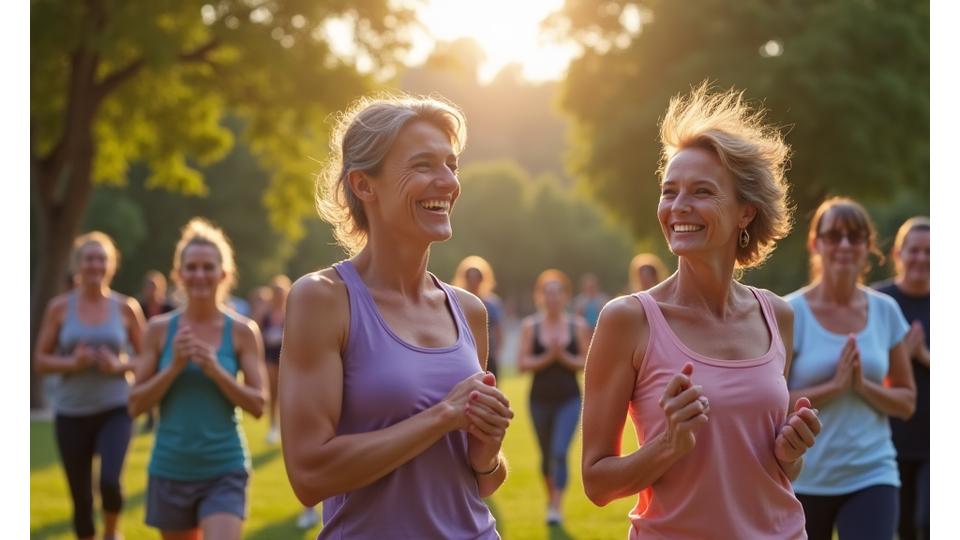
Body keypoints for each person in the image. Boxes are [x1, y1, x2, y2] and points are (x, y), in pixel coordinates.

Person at [580, 83, 821, 539]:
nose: (678, 207)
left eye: (702, 192)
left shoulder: (777, 316)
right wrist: (668, 445)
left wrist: (791, 453)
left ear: (745, 213)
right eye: (669, 191)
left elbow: (769, 472)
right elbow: (596, 482)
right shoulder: (628, 321)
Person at [278, 94, 513, 539]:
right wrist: (443, 415)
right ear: (365, 185)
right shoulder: (323, 299)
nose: (448, 182)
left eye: (452, 165)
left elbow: (479, 482)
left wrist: (487, 453)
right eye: (424, 165)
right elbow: (309, 475)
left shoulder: (468, 311)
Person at [785, 198, 916, 540]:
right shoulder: (789, 312)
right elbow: (771, 400)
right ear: (815, 243)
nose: (844, 244)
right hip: (803, 477)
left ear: (868, 247)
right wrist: (834, 386)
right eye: (833, 235)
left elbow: (906, 401)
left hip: (872, 475)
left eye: (855, 236)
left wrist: (863, 387)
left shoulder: (886, 311)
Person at [129, 218, 267, 540]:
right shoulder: (159, 330)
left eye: (208, 267)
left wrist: (216, 371)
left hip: (225, 467)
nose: (200, 275)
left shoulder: (243, 332)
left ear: (224, 274)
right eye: (191, 267)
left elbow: (259, 405)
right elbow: (135, 405)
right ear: (179, 274)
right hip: (170, 468)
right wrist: (174, 367)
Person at [34, 231, 146, 540]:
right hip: (71, 410)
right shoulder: (59, 308)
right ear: (77, 265)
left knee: (110, 481)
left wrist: (119, 365)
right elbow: (40, 360)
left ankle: (112, 534)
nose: (95, 265)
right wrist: (73, 363)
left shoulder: (126, 308)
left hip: (115, 407)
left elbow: (149, 358)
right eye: (89, 259)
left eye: (102, 259)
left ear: (111, 266)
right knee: (81, 498)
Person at [871, 216, 929, 540]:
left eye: (930, 252)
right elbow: (864, 367)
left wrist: (923, 356)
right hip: (889, 439)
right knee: (903, 527)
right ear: (898, 254)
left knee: (930, 521)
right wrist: (900, 358)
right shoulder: (878, 303)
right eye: (915, 250)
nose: (922, 258)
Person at [518, 269, 590, 526]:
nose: (552, 298)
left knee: (559, 451)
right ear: (540, 297)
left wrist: (563, 357)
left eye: (557, 293)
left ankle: (557, 506)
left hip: (569, 399)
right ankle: (551, 499)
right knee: (546, 454)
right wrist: (548, 357)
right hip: (538, 400)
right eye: (547, 293)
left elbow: (586, 362)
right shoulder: (531, 326)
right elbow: (522, 364)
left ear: (565, 296)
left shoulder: (577, 326)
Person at [453, 255, 506, 379]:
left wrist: (497, 353)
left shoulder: (492, 303)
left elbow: (499, 330)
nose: (473, 280)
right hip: (463, 356)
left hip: (488, 356)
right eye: (469, 276)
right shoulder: (456, 301)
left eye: (477, 276)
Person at [137, 270, 177, 432]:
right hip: (146, 350)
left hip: (167, 349)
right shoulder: (140, 307)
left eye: (154, 286)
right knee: (148, 380)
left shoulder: (169, 307)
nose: (151, 290)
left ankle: (162, 413)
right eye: (149, 286)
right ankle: (150, 415)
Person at [262, 274, 291, 445]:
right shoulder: (266, 314)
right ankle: (272, 427)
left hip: (285, 358)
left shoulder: (290, 313)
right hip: (269, 356)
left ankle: (284, 427)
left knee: (285, 394)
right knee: (272, 393)